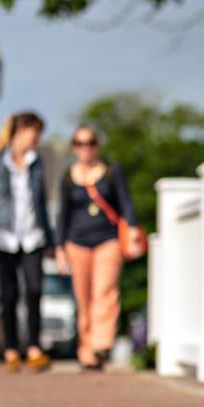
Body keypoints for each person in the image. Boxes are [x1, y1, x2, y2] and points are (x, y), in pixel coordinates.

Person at [56, 125, 138, 371]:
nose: (86, 148)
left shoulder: (112, 172)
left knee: (105, 291)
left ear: (97, 146)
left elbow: (126, 203)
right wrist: (60, 249)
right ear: (73, 147)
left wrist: (133, 229)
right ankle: (87, 350)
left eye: (90, 142)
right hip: (76, 242)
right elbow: (63, 214)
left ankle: (102, 343)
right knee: (83, 298)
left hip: (107, 239)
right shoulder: (68, 177)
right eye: (80, 143)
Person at [0, 111, 55, 373]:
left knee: (34, 291)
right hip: (4, 237)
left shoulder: (37, 162)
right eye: (35, 133)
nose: (37, 139)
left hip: (32, 236)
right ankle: (11, 349)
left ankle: (34, 348)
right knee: (9, 294)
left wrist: (50, 239)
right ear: (21, 131)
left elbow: (42, 203)